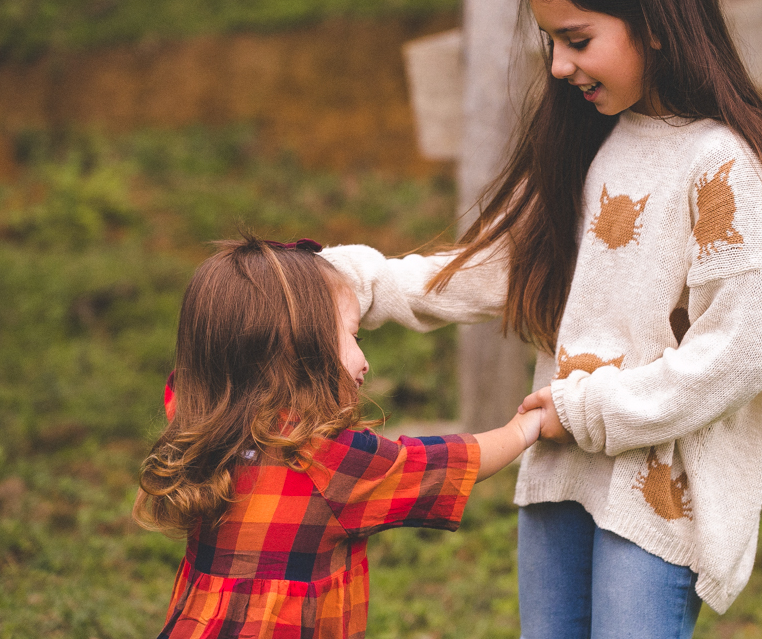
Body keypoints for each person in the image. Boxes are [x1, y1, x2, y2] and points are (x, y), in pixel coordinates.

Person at [322, 0, 762, 639]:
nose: (559, 66)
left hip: (653, 494)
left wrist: (588, 410)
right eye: (551, 42)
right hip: (563, 474)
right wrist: (356, 282)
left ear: (654, 24)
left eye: (578, 40)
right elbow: (502, 266)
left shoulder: (717, 163)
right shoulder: (594, 141)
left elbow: (742, 348)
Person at [134, 236, 542, 639]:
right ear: (297, 345)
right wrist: (524, 429)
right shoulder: (325, 459)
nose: (364, 361)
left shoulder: (200, 423)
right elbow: (448, 463)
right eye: (353, 336)